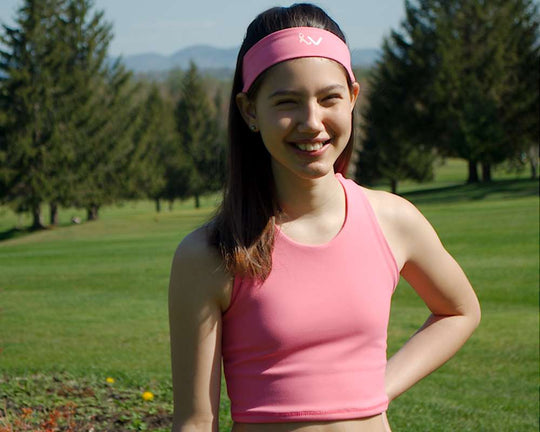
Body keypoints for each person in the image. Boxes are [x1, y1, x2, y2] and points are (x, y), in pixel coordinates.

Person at [168, 3, 481, 432]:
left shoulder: (392, 219)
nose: (311, 122)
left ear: (353, 97)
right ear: (249, 111)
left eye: (329, 98)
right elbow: (195, 422)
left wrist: (377, 387)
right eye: (287, 102)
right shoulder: (210, 254)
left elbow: (459, 311)